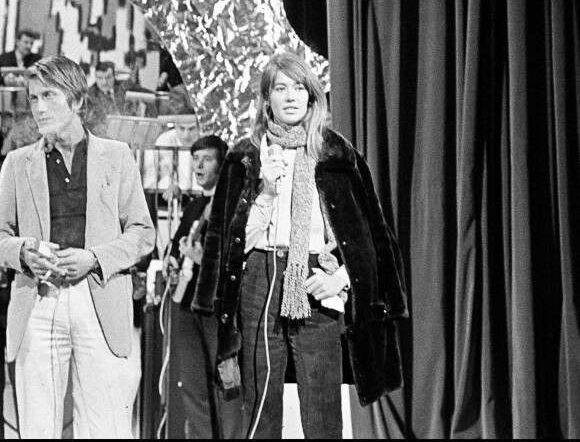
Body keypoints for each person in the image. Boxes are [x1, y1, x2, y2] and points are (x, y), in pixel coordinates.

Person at [193, 54, 408, 439]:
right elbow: (231, 243)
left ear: (312, 97)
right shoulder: (245, 156)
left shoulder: (337, 155)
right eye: (280, 88)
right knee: (260, 410)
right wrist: (266, 192)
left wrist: (341, 278)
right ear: (266, 100)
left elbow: (372, 237)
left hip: (315, 282)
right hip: (261, 280)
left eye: (299, 87)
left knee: (323, 411)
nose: (290, 97)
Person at [0, 56, 155, 439]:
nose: (37, 107)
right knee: (37, 428)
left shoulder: (116, 156)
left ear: (77, 101)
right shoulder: (17, 164)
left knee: (105, 428)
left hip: (99, 298)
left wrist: (94, 258)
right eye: (33, 98)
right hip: (38, 301)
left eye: (48, 96)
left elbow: (143, 232)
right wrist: (22, 253)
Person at [164, 135, 243, 438]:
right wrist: (173, 261)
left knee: (226, 385)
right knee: (193, 386)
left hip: (216, 309)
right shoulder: (196, 204)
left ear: (222, 165)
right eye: (195, 158)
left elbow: (239, 258)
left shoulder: (232, 207)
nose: (198, 166)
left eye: (206, 159)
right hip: (186, 306)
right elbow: (176, 244)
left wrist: (204, 259)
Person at [85, 60, 156, 136]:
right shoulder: (89, 95)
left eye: (108, 77)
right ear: (95, 77)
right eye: (99, 78)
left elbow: (153, 97)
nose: (104, 82)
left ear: (114, 76)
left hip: (129, 133)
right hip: (102, 137)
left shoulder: (125, 87)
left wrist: (148, 119)